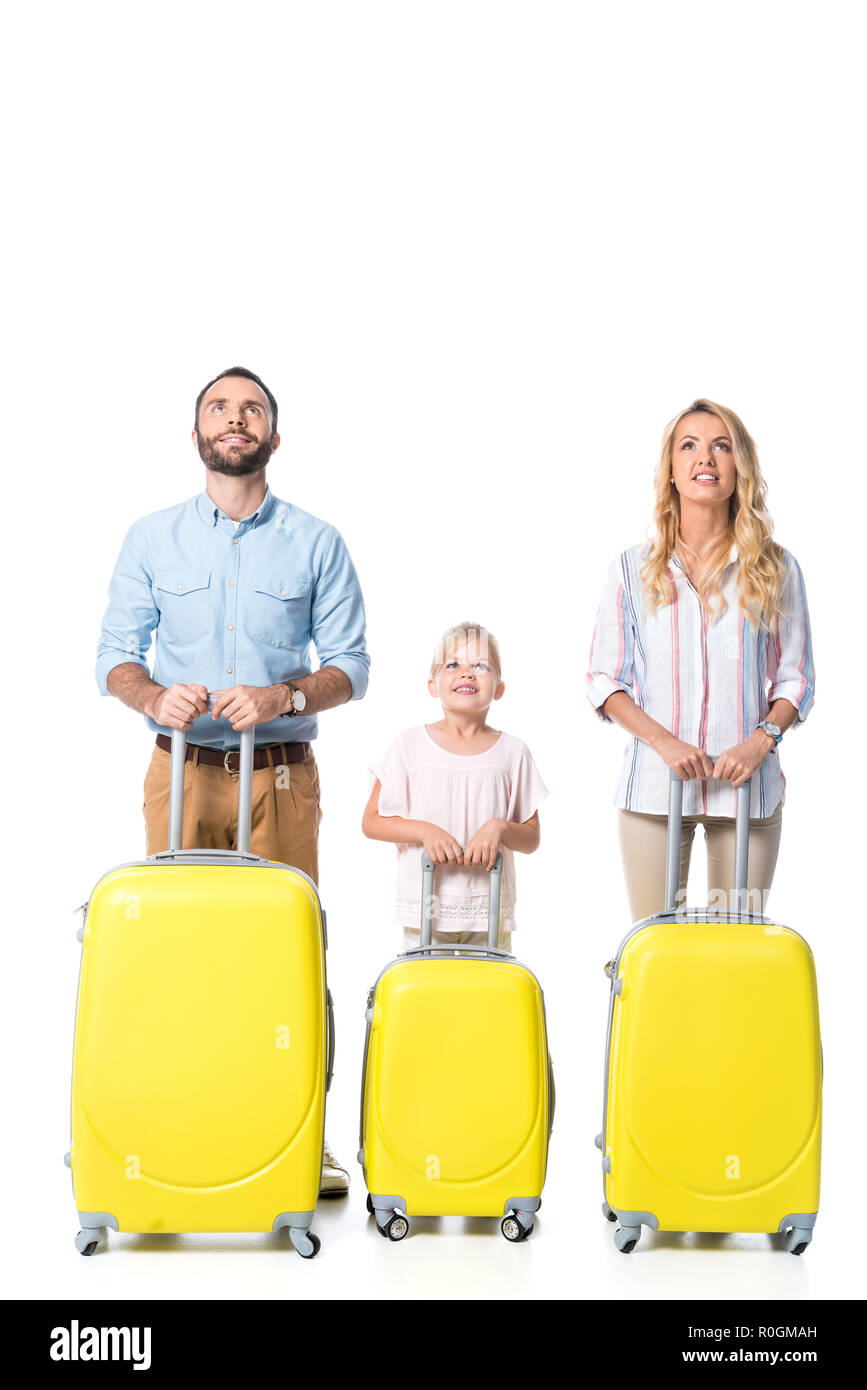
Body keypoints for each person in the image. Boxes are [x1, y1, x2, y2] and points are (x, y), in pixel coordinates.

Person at [96, 365, 370, 1195]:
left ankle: (304, 1136)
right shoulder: (152, 538)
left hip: (279, 780)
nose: (235, 418)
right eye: (219, 407)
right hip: (180, 772)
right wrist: (153, 695)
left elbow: (351, 666)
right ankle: (183, 1126)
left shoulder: (317, 542)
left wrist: (285, 695)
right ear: (196, 436)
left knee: (288, 955)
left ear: (273, 437)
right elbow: (115, 658)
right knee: (179, 953)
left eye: (251, 409)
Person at [587, 398, 814, 923]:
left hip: (748, 789)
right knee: (653, 943)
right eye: (688, 445)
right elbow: (604, 678)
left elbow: (796, 680)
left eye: (721, 446)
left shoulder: (777, 568)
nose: (705, 458)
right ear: (671, 469)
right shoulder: (631, 569)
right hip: (654, 787)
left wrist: (760, 742)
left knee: (738, 940)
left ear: (740, 467)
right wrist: (664, 743)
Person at [362, 622, 547, 951]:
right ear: (433, 685)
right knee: (425, 982)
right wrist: (424, 831)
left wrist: (499, 827)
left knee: (490, 983)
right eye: (453, 664)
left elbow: (531, 838)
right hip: (425, 907)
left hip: (488, 908)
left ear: (499, 688)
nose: (467, 673)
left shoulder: (513, 752)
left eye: (480, 666)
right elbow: (372, 822)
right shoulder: (408, 746)